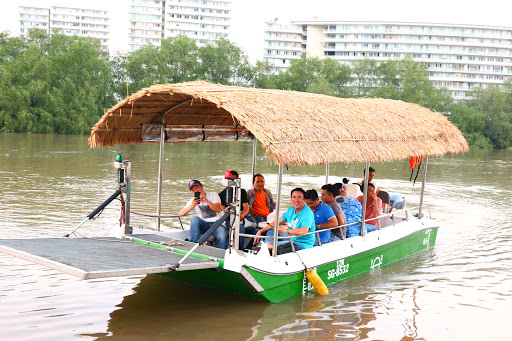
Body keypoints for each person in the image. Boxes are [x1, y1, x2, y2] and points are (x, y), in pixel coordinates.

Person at [254, 188, 315, 254]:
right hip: (291, 237)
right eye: (294, 197)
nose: (296, 200)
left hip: (301, 244)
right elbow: (275, 223)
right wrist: (260, 231)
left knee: (275, 249)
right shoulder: (291, 210)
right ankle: (268, 243)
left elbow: (304, 231)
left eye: (299, 197)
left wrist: (284, 231)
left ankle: (267, 247)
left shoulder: (307, 212)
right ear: (291, 199)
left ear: (304, 200)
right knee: (272, 228)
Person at [179, 179, 228, 249]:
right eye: (193, 190)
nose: (196, 191)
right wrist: (192, 205)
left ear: (201, 186)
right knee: (195, 219)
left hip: (217, 224)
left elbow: (217, 209)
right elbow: (181, 213)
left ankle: (222, 254)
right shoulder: (193, 201)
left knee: (222, 235)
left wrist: (206, 200)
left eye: (197, 188)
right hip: (204, 225)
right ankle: (194, 245)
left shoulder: (213, 195)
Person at [219, 171, 249, 250]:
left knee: (240, 230)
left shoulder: (242, 192)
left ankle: (240, 250)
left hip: (241, 218)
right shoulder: (222, 194)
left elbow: (246, 207)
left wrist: (242, 215)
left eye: (234, 179)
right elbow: (223, 209)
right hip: (229, 219)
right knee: (227, 231)